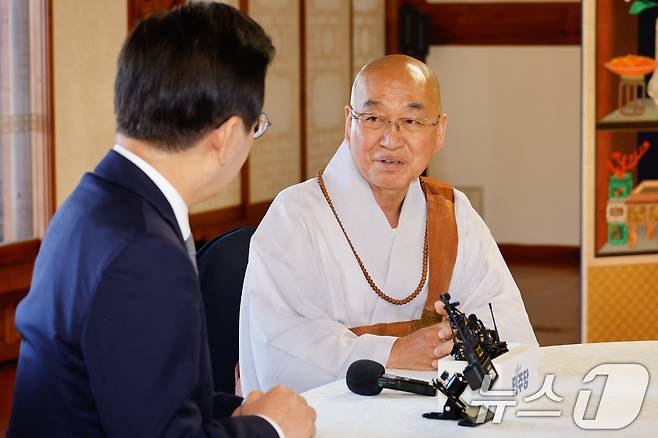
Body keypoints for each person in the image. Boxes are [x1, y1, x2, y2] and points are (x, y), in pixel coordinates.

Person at [9, 3, 315, 437]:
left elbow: (143, 392)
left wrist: (239, 409)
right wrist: (271, 428)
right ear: (225, 136)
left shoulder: (97, 199)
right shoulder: (144, 253)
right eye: (255, 127)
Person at [239, 54, 537, 394]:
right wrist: (393, 352)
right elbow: (282, 343)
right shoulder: (295, 216)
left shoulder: (451, 212)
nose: (391, 139)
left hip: (436, 407)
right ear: (349, 123)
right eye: (374, 118)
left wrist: (454, 339)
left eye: (411, 121)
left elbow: (503, 314)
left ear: (439, 131)